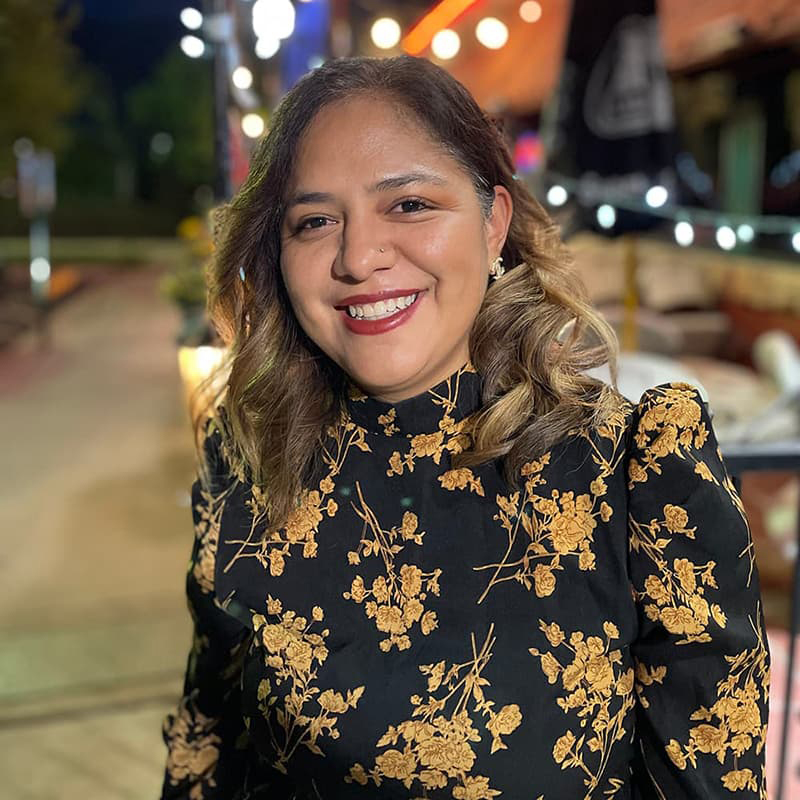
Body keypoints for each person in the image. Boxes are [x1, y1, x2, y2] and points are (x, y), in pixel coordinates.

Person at [161, 56, 769, 799]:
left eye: (410, 204)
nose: (358, 257)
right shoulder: (250, 454)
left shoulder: (639, 474)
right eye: (316, 221)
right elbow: (206, 746)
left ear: (494, 227)